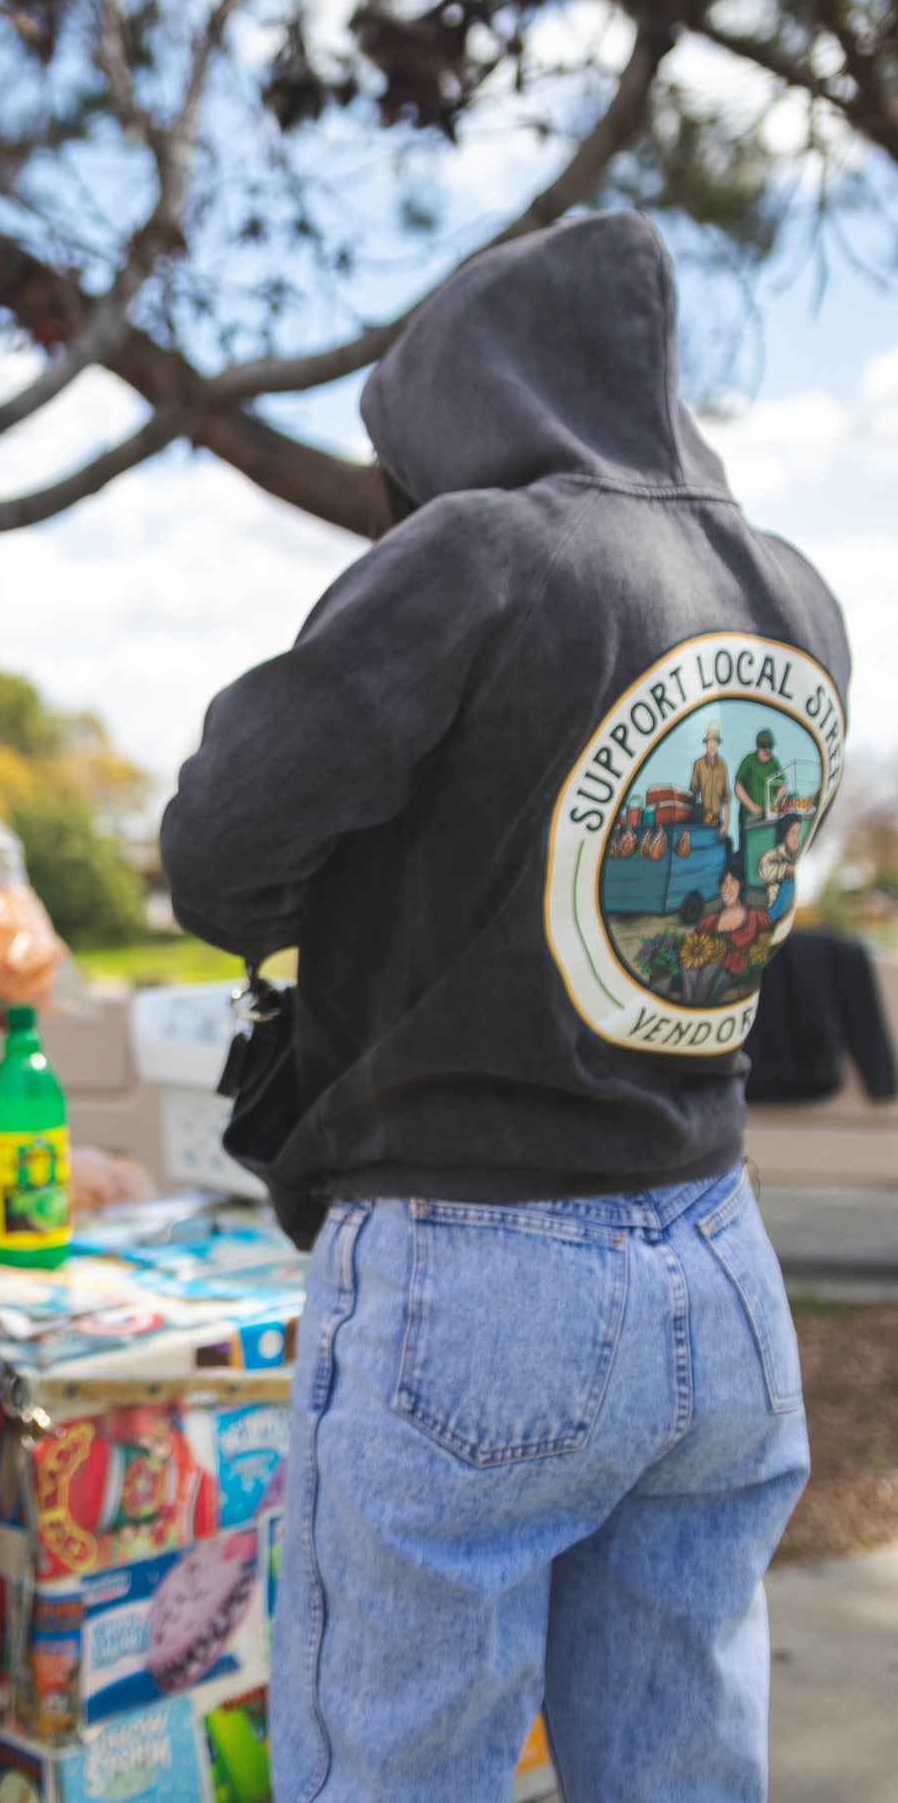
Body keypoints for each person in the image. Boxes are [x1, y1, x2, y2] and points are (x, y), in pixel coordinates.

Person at [161, 213, 849, 1801]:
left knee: (401, 1765)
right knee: (683, 1761)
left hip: (476, 1266)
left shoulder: (482, 553)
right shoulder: (796, 592)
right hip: (718, 1256)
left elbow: (218, 847)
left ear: (452, 400)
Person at [685, 859, 776, 1005]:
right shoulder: (708, 921)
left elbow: (764, 953)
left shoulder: (757, 916)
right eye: (723, 883)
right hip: (701, 973)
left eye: (732, 881)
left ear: (741, 885)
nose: (726, 888)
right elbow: (693, 951)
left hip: (732, 974)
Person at [735, 726, 787, 827]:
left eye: (770, 747)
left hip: (768, 818)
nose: (767, 750)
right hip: (749, 819)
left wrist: (776, 801)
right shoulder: (748, 761)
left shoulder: (774, 763)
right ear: (758, 746)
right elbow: (737, 788)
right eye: (764, 747)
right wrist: (752, 807)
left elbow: (784, 785)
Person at [757, 813, 805, 922]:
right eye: (792, 833)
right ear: (784, 834)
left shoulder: (803, 853)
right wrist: (785, 869)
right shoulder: (774, 855)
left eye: (798, 833)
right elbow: (763, 870)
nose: (796, 838)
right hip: (777, 910)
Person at [690, 718, 730, 836]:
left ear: (718, 744)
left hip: (717, 822)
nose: (712, 745)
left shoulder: (722, 766)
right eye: (709, 741)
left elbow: (726, 797)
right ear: (706, 743)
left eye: (715, 741)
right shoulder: (698, 764)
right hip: (702, 821)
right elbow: (692, 795)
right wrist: (698, 818)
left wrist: (725, 825)